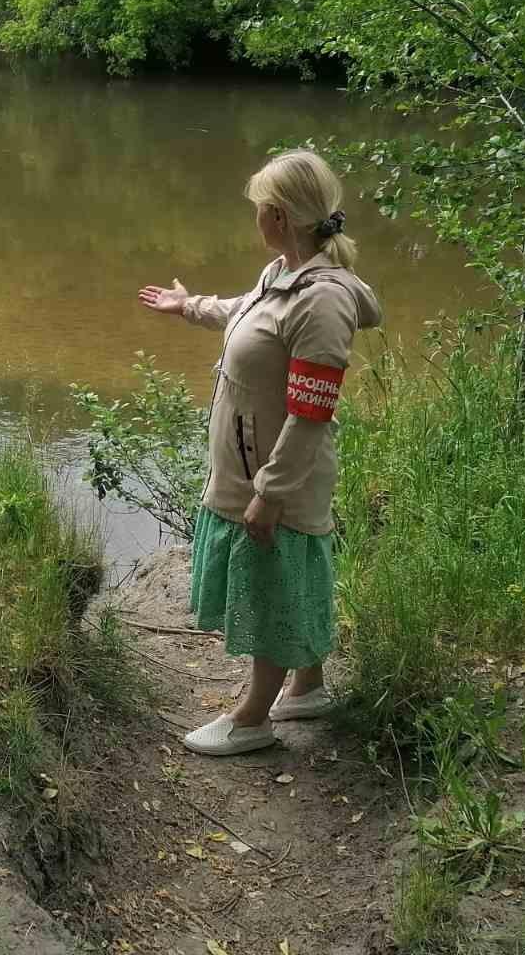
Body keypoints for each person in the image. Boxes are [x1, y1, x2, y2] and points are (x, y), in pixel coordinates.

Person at [138, 149, 381, 755]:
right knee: (293, 579)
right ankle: (307, 686)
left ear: (276, 215)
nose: (255, 218)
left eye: (258, 209)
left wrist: (271, 493)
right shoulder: (282, 275)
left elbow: (309, 413)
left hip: (275, 475)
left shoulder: (322, 301)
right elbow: (245, 315)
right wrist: (188, 306)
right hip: (253, 466)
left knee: (274, 584)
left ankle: (253, 718)